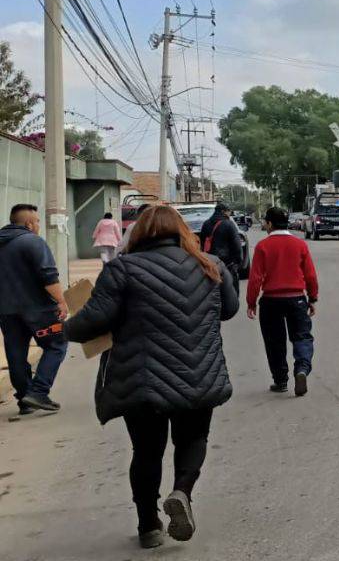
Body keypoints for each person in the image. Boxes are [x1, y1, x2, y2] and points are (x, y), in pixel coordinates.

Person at [64, 205, 237, 548]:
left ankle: (149, 526)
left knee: (146, 451)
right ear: (183, 231)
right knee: (193, 439)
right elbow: (229, 309)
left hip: (144, 381)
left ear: (139, 233)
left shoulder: (123, 269)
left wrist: (65, 326)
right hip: (200, 372)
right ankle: (182, 492)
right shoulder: (210, 265)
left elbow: (94, 322)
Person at [0, 204, 68, 414]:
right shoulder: (33, 241)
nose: (38, 225)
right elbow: (48, 276)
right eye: (37, 221)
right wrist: (61, 301)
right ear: (29, 224)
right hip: (39, 310)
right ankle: (38, 392)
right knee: (57, 344)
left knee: (16, 355)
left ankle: (24, 399)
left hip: (7, 311)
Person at [247, 207, 318, 396]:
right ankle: (302, 369)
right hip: (297, 299)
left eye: (265, 222)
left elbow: (255, 278)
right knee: (302, 337)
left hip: (271, 302)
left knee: (274, 342)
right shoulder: (300, 245)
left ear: (270, 223)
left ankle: (281, 381)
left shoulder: (263, 246)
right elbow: (310, 275)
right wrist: (312, 298)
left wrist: (251, 302)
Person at [198, 202, 245, 287]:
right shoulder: (229, 224)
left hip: (211, 265)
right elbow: (237, 245)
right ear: (223, 211)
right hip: (227, 264)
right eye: (229, 211)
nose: (230, 214)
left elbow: (201, 244)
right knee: (231, 292)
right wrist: (238, 262)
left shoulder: (206, 224)